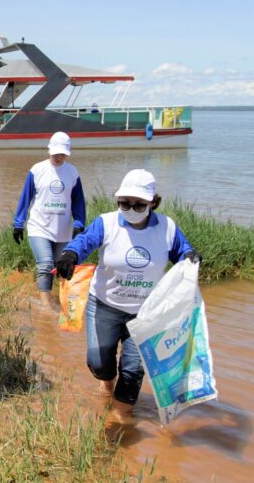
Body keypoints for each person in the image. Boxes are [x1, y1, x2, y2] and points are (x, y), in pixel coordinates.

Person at [55, 169, 200, 422]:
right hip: (105, 305)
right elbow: (85, 241)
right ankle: (107, 384)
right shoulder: (107, 223)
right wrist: (70, 254)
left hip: (146, 314)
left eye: (139, 204)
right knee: (98, 362)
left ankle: (121, 418)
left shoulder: (167, 228)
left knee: (133, 371)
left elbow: (183, 252)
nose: (131, 209)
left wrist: (190, 256)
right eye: (124, 203)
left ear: (153, 202)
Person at [12, 132, 86, 310]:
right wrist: (18, 223)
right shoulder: (37, 170)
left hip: (64, 229)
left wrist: (79, 223)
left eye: (62, 154)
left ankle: (57, 299)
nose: (58, 157)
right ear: (49, 150)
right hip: (39, 227)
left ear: (67, 153)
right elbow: (26, 198)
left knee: (60, 266)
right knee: (45, 264)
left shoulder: (72, 172)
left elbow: (78, 201)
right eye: (55, 153)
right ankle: (46, 308)